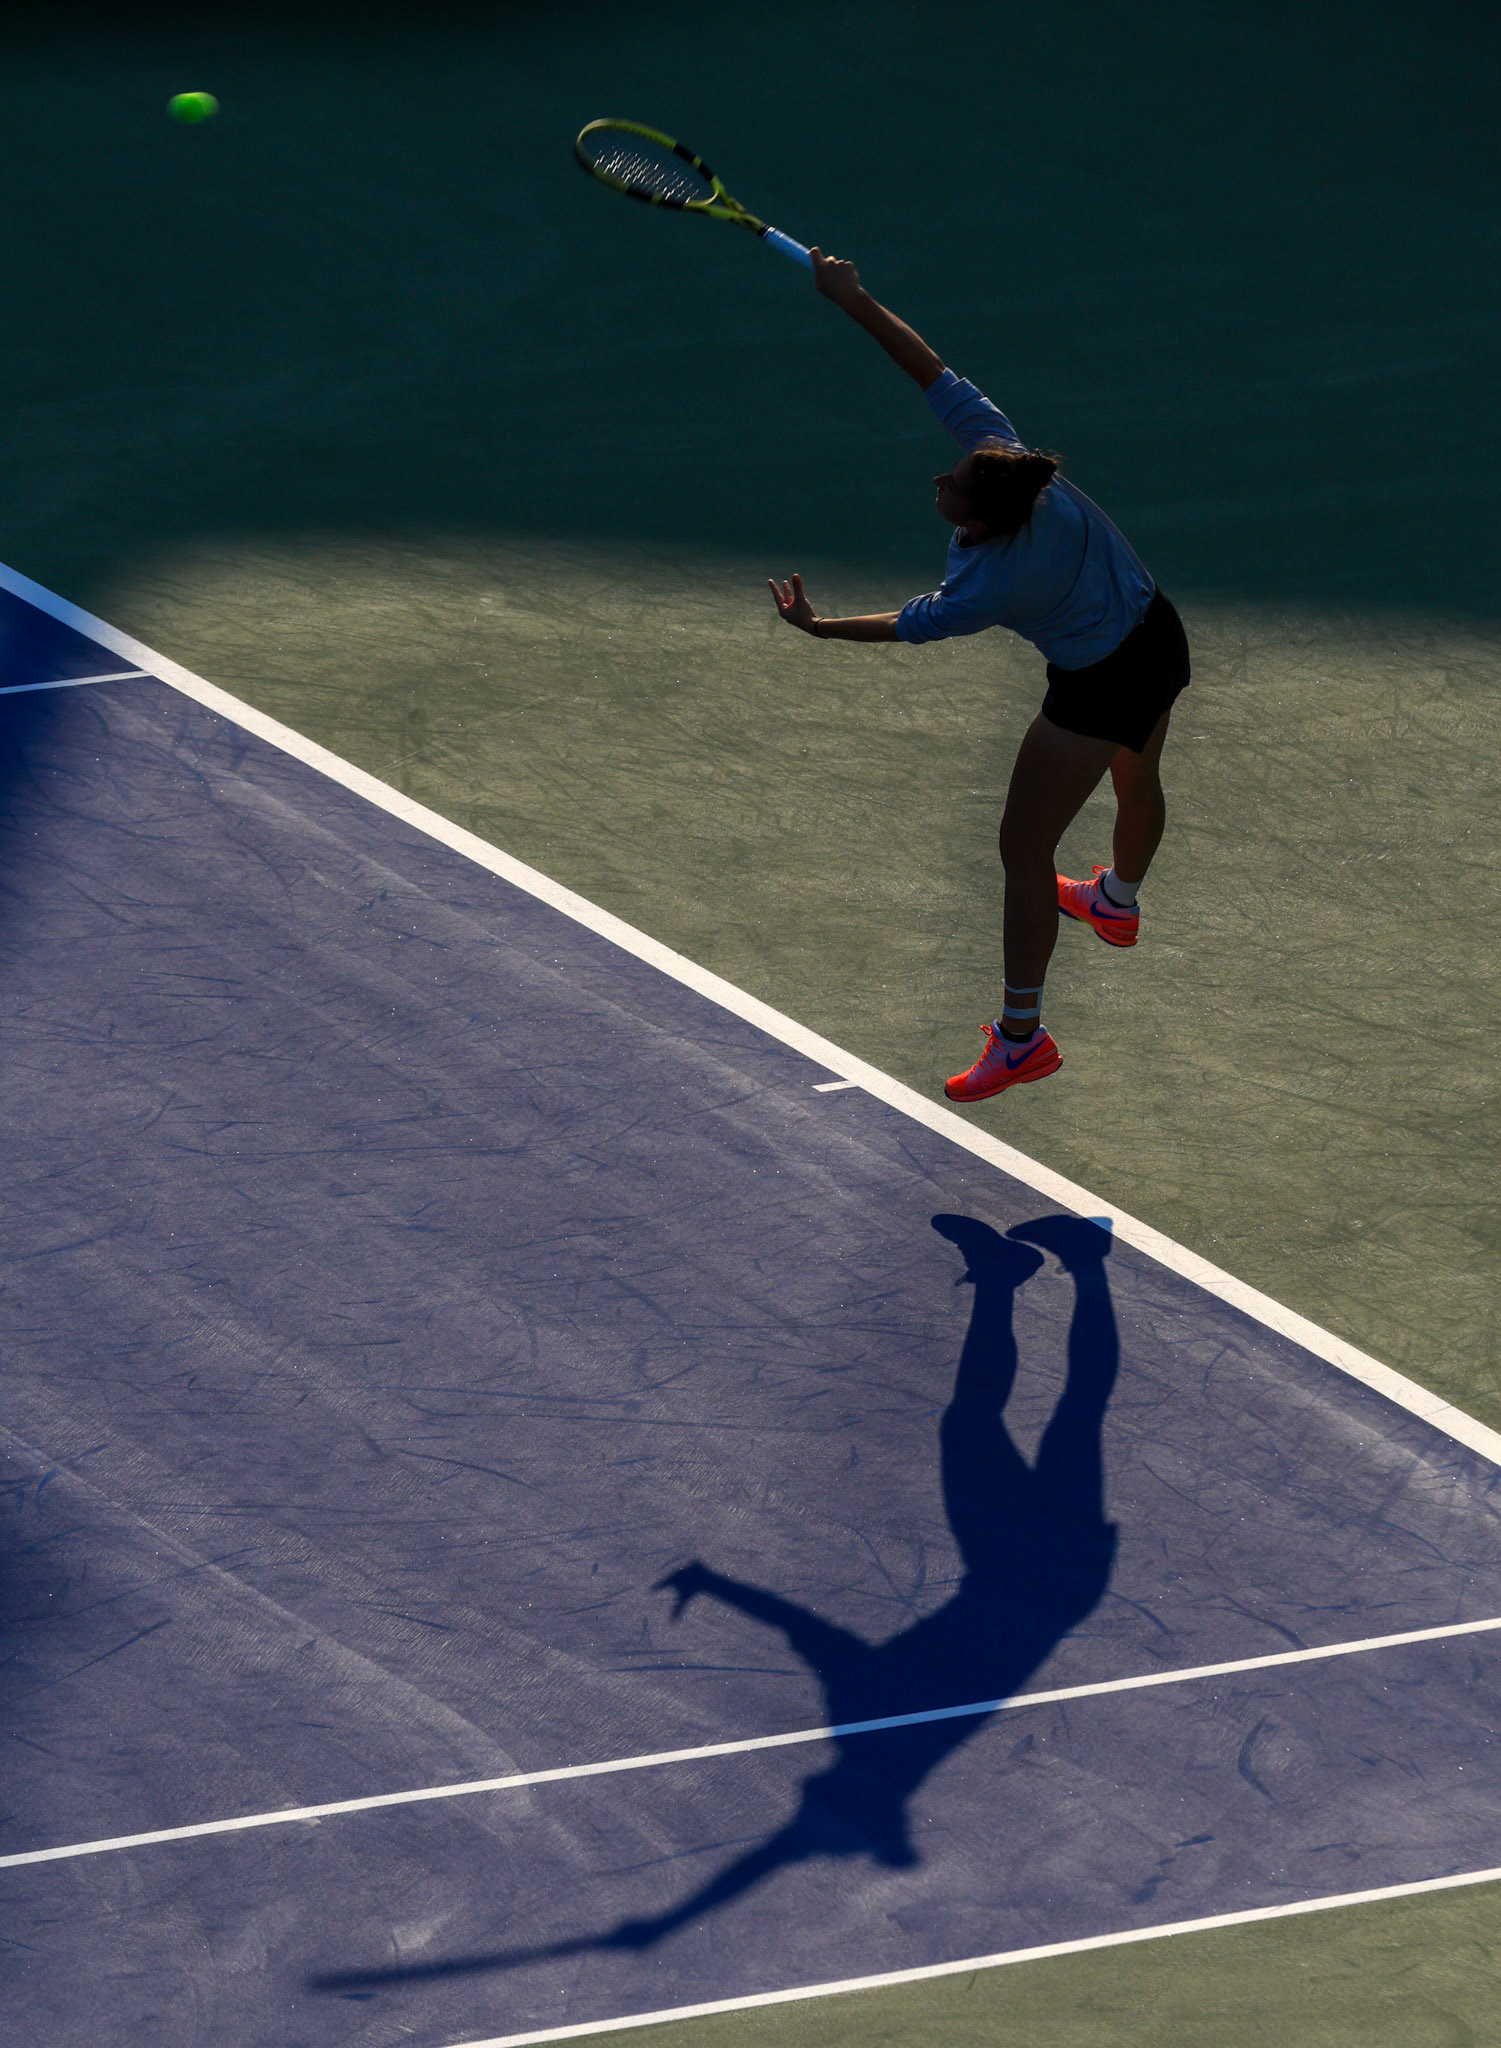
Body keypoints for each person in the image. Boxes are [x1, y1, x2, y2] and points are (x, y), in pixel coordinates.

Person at [769, 254, 1190, 1104]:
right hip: (1157, 636)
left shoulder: (989, 585)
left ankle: (1020, 1039)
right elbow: (928, 369)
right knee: (1135, 774)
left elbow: (906, 624)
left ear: (984, 520)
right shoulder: (1010, 462)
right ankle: (1116, 901)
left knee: (1021, 850)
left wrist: (818, 628)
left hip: (1098, 683)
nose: (941, 476)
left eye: (953, 486)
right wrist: (854, 299)